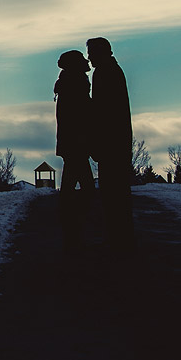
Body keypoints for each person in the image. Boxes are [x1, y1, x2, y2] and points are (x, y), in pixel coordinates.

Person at [87, 36, 134, 251]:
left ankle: (119, 241)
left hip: (112, 142)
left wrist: (97, 142)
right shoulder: (111, 70)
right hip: (116, 141)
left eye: (92, 52)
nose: (89, 57)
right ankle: (120, 238)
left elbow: (103, 112)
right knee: (116, 193)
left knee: (114, 193)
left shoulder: (106, 73)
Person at [54, 49, 95, 252]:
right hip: (77, 137)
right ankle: (78, 211)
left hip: (72, 138)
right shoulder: (75, 81)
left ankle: (69, 210)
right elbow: (81, 110)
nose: (86, 62)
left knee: (74, 172)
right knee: (78, 173)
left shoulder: (67, 81)